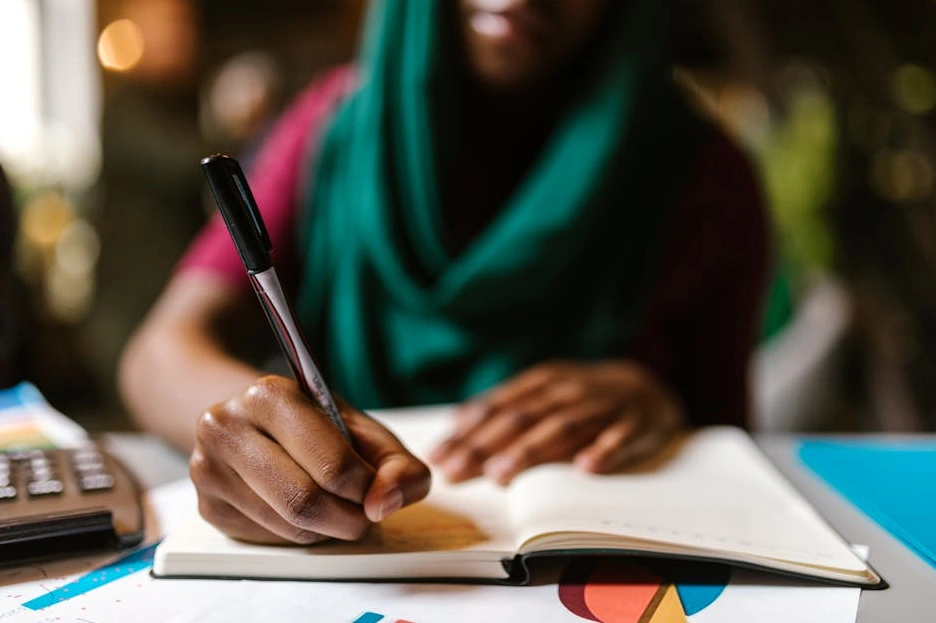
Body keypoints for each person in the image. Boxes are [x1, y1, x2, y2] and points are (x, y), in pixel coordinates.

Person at [119, 0, 768, 546]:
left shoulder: (706, 178)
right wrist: (253, 434)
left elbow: (741, 452)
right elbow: (158, 355)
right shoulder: (331, 133)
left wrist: (666, 403)